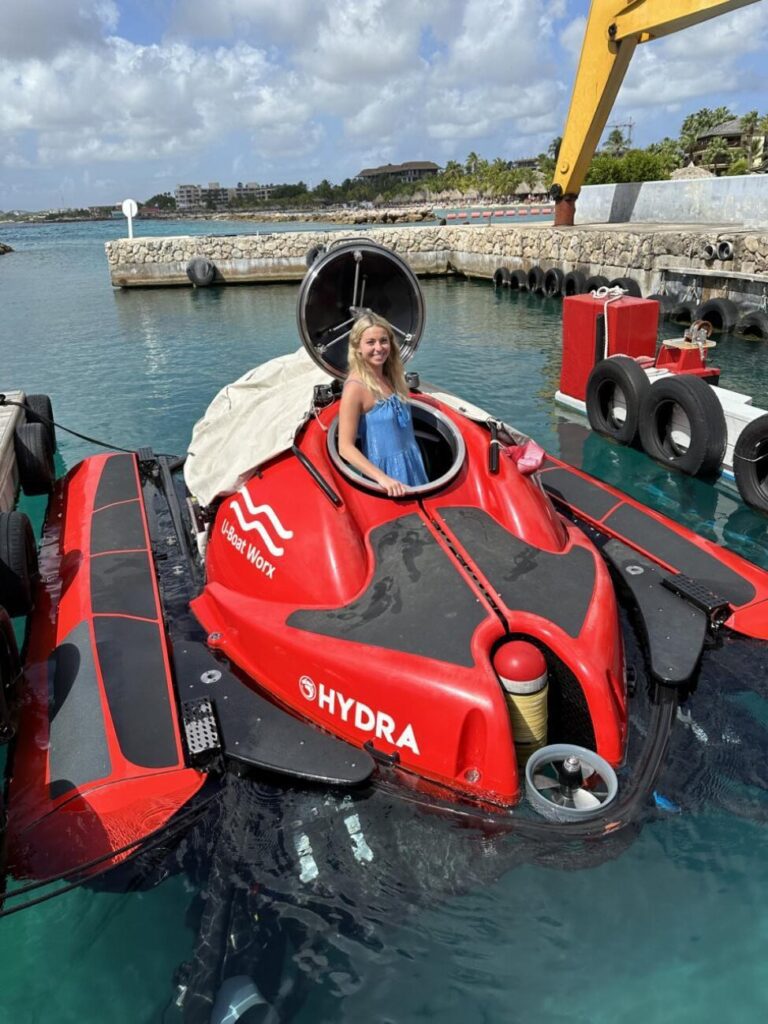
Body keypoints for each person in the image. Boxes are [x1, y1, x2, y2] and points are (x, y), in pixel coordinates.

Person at [338, 313, 428, 496]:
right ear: (357, 348)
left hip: (413, 462)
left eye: (383, 341)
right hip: (386, 477)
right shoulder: (355, 388)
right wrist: (382, 479)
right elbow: (345, 447)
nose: (378, 348)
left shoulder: (392, 377)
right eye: (370, 342)